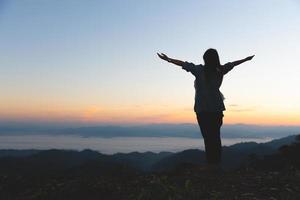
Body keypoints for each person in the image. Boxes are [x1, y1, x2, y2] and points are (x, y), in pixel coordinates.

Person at [157, 49, 254, 169]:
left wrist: (169, 60)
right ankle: (216, 163)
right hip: (217, 108)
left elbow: (183, 64)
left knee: (208, 137)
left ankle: (211, 164)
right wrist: (246, 59)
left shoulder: (199, 70)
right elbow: (233, 63)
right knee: (215, 136)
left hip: (202, 109)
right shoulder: (221, 70)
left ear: (205, 59)